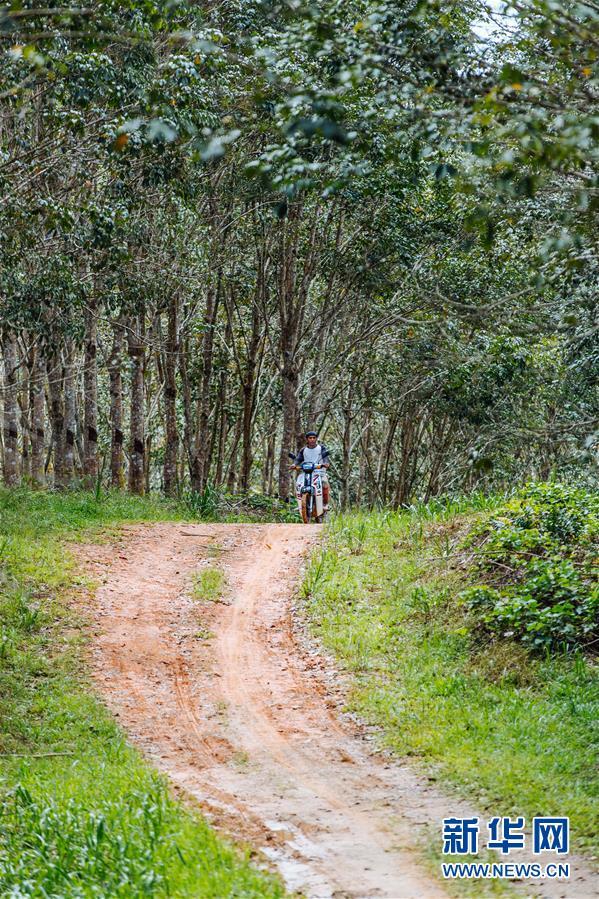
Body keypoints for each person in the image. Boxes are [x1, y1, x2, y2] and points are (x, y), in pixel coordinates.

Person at [293, 430, 330, 511]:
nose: (312, 439)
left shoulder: (321, 448)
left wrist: (326, 463)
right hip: (306, 472)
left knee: (324, 483)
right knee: (298, 484)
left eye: (314, 438)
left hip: (319, 472)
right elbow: (299, 458)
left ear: (316, 439)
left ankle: (325, 504)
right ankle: (299, 504)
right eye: (310, 438)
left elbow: (325, 456)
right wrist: (294, 464)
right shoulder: (303, 450)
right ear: (307, 439)